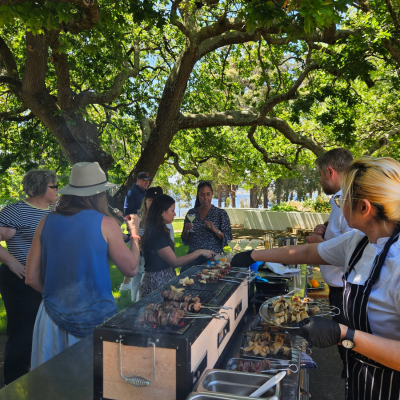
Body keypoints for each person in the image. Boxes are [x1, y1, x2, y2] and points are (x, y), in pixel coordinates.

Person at [232, 156, 400, 400]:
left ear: (364, 208)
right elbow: (308, 251)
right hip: (361, 379)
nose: (340, 206)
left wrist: (344, 335)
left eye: (344, 199)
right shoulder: (359, 240)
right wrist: (252, 254)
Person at [25, 162, 140, 368]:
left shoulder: (46, 221)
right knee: (91, 387)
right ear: (97, 194)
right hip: (95, 318)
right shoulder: (106, 223)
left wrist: (58, 297)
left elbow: (31, 278)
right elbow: (131, 268)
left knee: (50, 388)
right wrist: (134, 233)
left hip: (51, 320)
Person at [0, 169, 58, 385]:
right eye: (55, 186)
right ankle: (13, 384)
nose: (58, 191)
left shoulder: (56, 211)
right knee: (23, 332)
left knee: (45, 330)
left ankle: (38, 379)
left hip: (47, 279)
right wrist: (11, 261)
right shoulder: (16, 211)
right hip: (20, 281)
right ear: (42, 188)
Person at [306, 148, 353, 362]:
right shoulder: (338, 200)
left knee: (350, 350)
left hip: (347, 293)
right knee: (345, 349)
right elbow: (341, 237)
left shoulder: (347, 202)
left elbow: (353, 254)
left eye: (320, 174)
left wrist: (320, 244)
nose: (320, 179)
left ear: (330, 172)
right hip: (338, 291)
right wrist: (324, 231)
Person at [140, 194, 215, 297]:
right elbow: (175, 262)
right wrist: (199, 252)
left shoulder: (159, 229)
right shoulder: (155, 233)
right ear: (162, 212)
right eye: (172, 210)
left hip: (164, 279)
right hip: (156, 283)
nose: (175, 214)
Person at [131, 186, 174, 301]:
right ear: (145, 202)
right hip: (139, 261)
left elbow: (169, 250)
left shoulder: (166, 223)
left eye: (156, 201)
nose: (153, 203)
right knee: (135, 296)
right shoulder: (141, 220)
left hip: (156, 268)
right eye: (150, 200)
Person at [180, 181, 232, 273]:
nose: (205, 198)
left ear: (212, 194)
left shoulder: (220, 214)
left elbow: (228, 239)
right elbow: (185, 239)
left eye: (208, 194)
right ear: (198, 196)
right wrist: (186, 231)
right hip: (192, 260)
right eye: (202, 195)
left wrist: (215, 230)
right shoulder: (191, 213)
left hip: (213, 261)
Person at [120, 171, 151, 292]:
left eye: (147, 181)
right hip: (136, 228)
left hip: (143, 226)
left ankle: (126, 285)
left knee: (137, 258)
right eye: (144, 180)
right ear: (137, 180)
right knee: (138, 257)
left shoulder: (143, 192)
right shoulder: (131, 192)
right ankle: (133, 286)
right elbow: (128, 212)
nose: (146, 183)